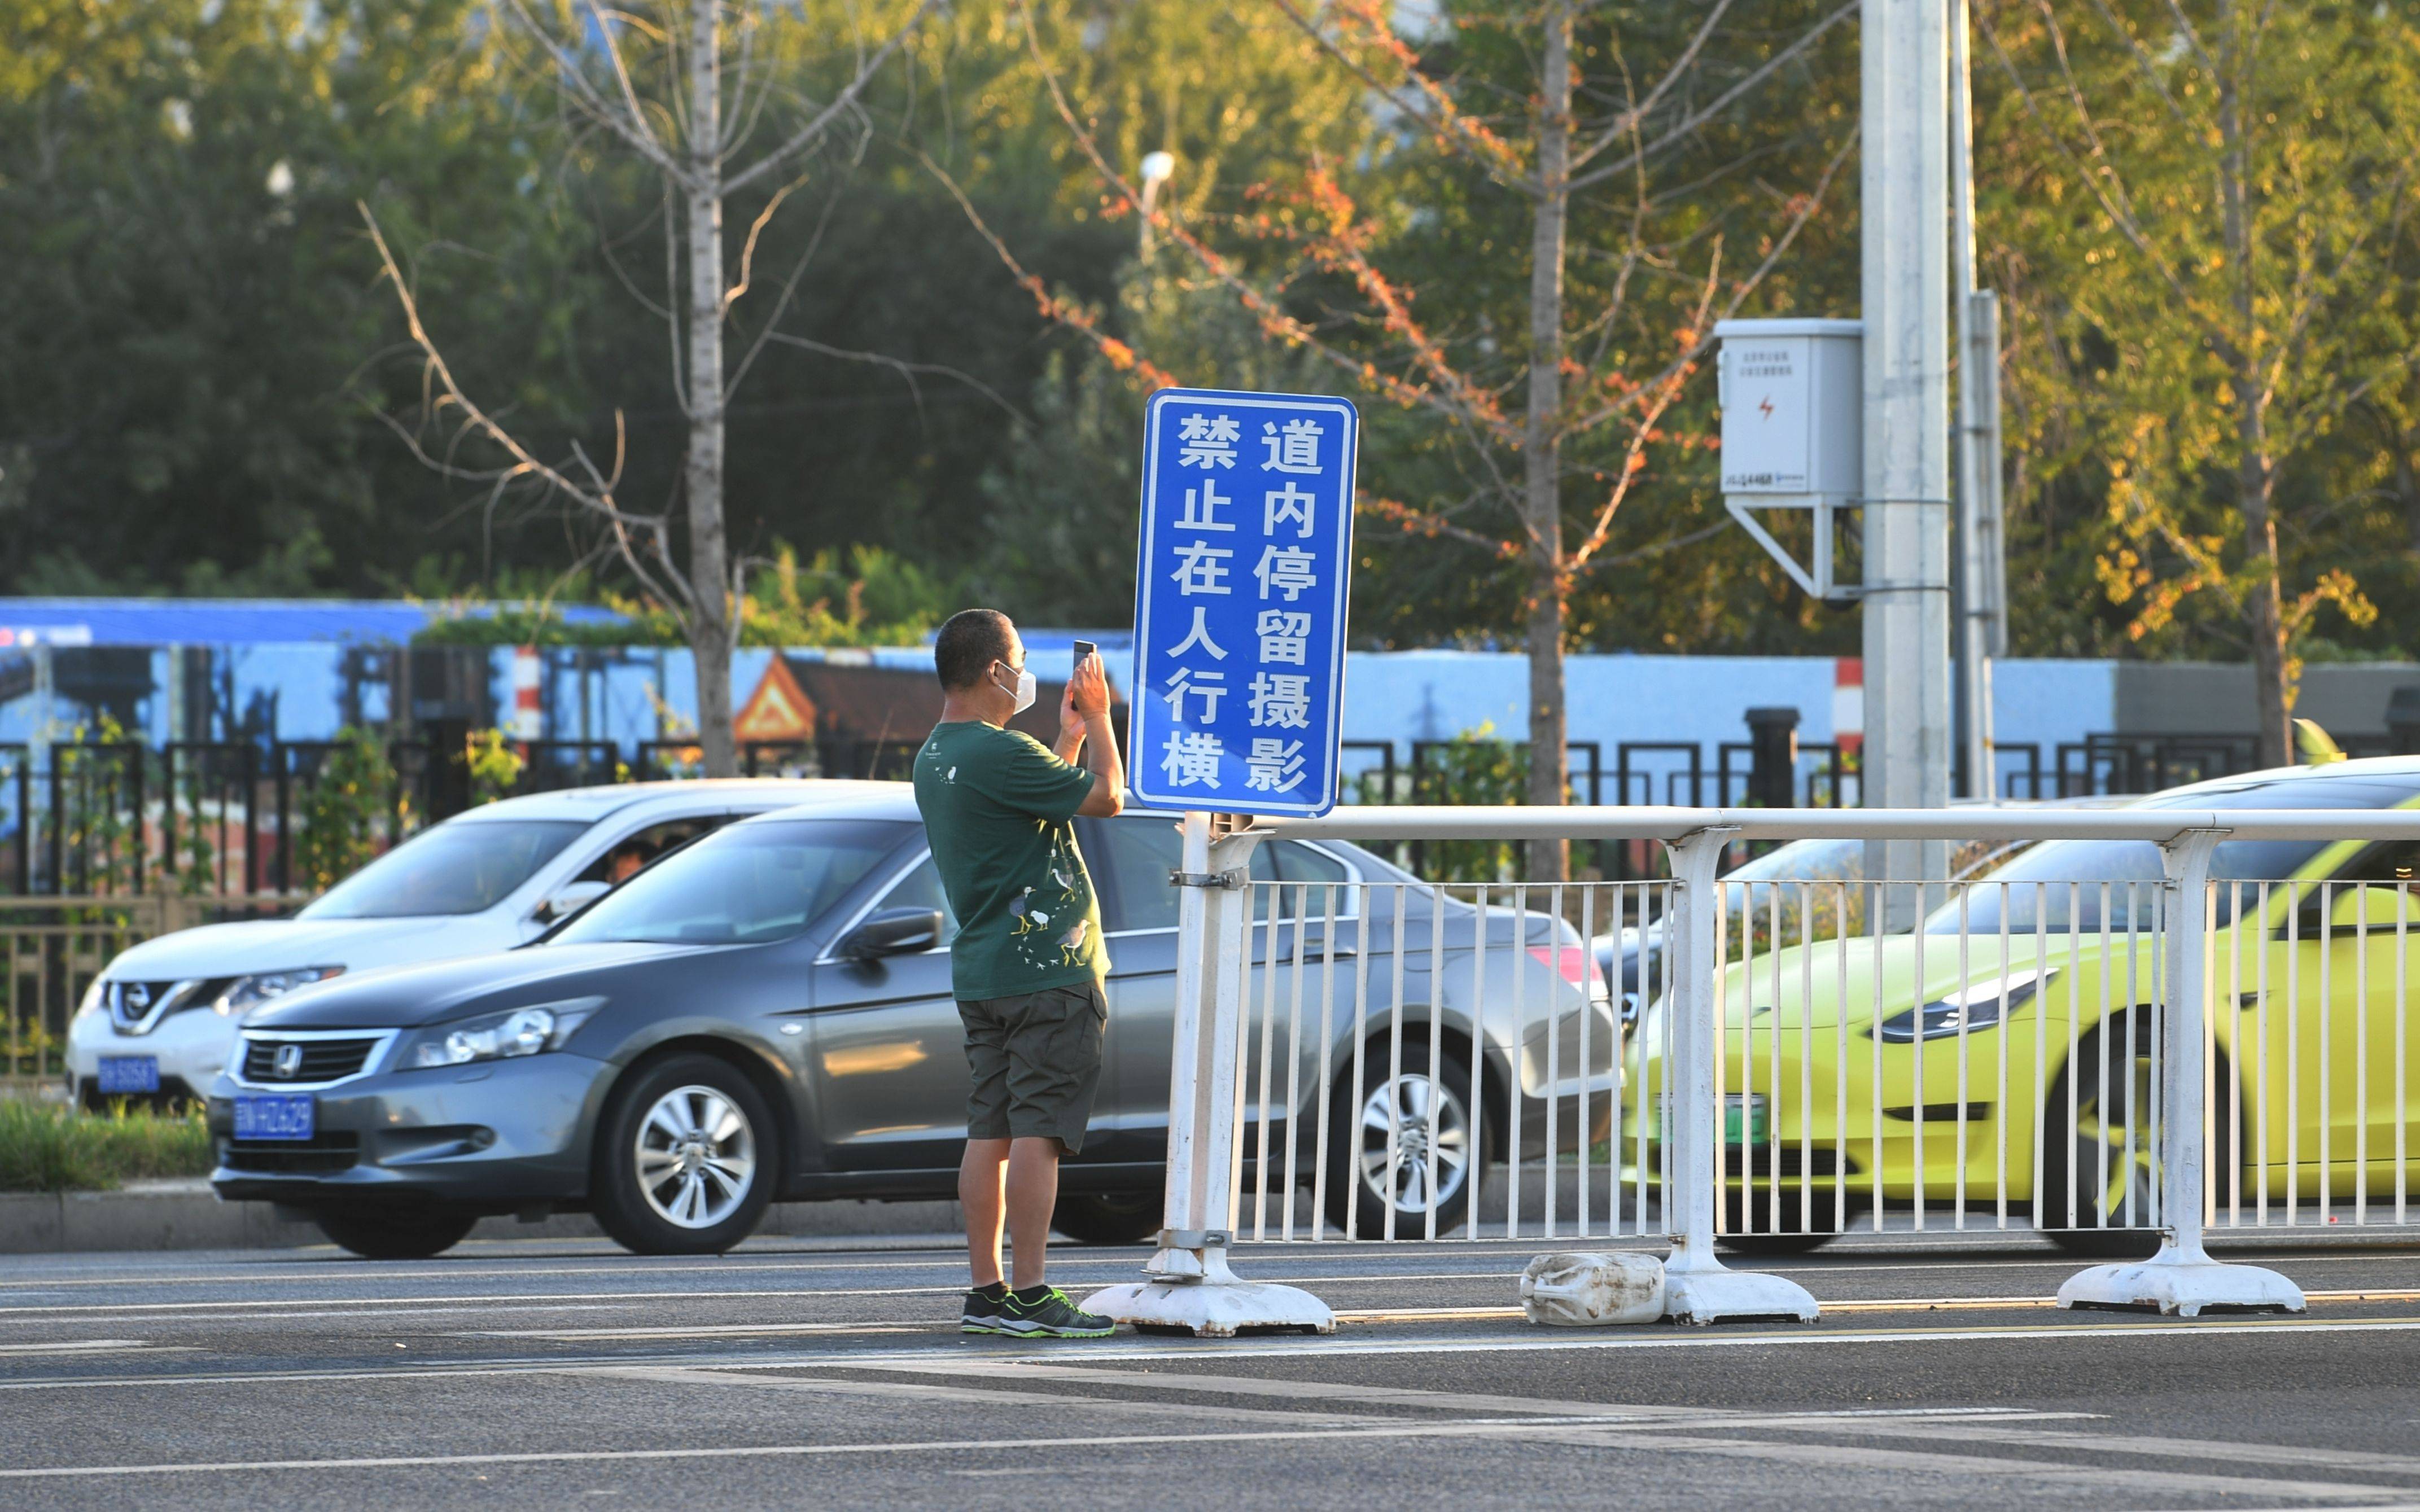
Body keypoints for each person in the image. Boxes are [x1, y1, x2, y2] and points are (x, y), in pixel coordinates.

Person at [912, 609, 1124, 1339]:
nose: (1028, 673)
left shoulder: (939, 754)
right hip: (1048, 969)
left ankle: (988, 1290)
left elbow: (1029, 808)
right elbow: (1108, 798)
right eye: (1022, 660)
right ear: (996, 672)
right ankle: (1033, 1292)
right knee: (1040, 1131)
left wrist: (1062, 736)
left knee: (990, 1130)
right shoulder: (997, 753)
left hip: (985, 970)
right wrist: (1098, 722)